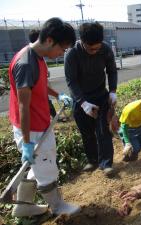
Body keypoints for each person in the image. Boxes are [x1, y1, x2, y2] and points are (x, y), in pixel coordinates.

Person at [8, 17, 80, 218]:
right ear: (50, 40)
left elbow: (37, 85)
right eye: (62, 49)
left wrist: (58, 95)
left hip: (40, 123)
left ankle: (23, 207)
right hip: (32, 128)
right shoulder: (25, 63)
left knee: (37, 167)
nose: (61, 54)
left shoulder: (37, 57)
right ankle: (57, 207)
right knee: (46, 167)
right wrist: (28, 143)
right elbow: (23, 106)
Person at [64, 22, 117, 175]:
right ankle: (92, 160)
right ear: (82, 41)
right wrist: (82, 103)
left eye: (97, 47)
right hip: (81, 98)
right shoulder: (72, 54)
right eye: (91, 48)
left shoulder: (105, 49)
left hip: (101, 95)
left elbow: (112, 71)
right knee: (86, 132)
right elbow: (71, 81)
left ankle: (106, 163)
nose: (94, 51)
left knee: (103, 131)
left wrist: (112, 91)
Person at [28, 29, 58, 119]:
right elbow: (23, 105)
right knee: (46, 100)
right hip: (33, 121)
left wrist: (58, 95)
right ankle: (54, 115)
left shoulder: (39, 58)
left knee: (47, 100)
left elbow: (41, 86)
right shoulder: (27, 62)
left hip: (41, 120)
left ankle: (54, 115)